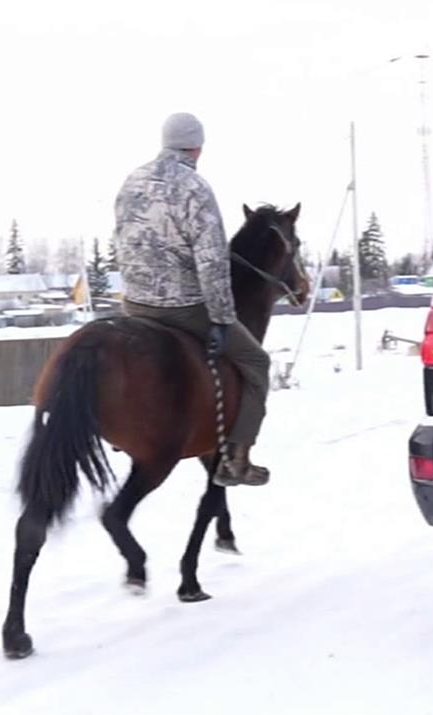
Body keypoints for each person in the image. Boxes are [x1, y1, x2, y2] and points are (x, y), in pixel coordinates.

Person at [112, 112, 272, 487]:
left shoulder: (131, 180)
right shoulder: (195, 188)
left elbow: (121, 240)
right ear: (197, 146)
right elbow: (213, 262)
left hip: (134, 303)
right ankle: (236, 460)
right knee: (256, 362)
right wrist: (220, 318)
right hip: (182, 308)